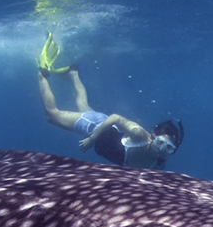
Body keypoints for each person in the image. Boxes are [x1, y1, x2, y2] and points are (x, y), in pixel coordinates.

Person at [36, 34, 184, 169]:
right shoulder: (138, 134)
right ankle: (42, 73)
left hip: (100, 125)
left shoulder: (159, 162)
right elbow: (116, 118)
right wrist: (92, 138)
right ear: (154, 137)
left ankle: (73, 73)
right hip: (94, 126)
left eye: (168, 148)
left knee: (82, 105)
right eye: (160, 143)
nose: (161, 149)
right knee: (52, 116)